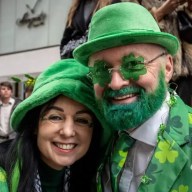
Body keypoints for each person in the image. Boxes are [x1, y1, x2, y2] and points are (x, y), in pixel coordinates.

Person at [73, 2, 192, 191]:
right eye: (101, 70)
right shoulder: (93, 139)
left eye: (133, 65)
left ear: (168, 68)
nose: (115, 83)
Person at [0, 59, 111, 191]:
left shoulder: (101, 176)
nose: (68, 131)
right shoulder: (4, 169)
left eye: (82, 120)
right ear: (36, 125)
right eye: (55, 117)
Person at [140, 0, 192, 106]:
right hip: (157, 66)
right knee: (161, 112)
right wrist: (162, 11)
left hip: (186, 67)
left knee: (182, 113)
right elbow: (135, 27)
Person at [60, 0, 135, 59]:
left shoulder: (113, 3)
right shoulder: (75, 7)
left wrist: (77, 44)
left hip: (100, 58)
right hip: (75, 61)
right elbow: (65, 40)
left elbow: (111, 34)